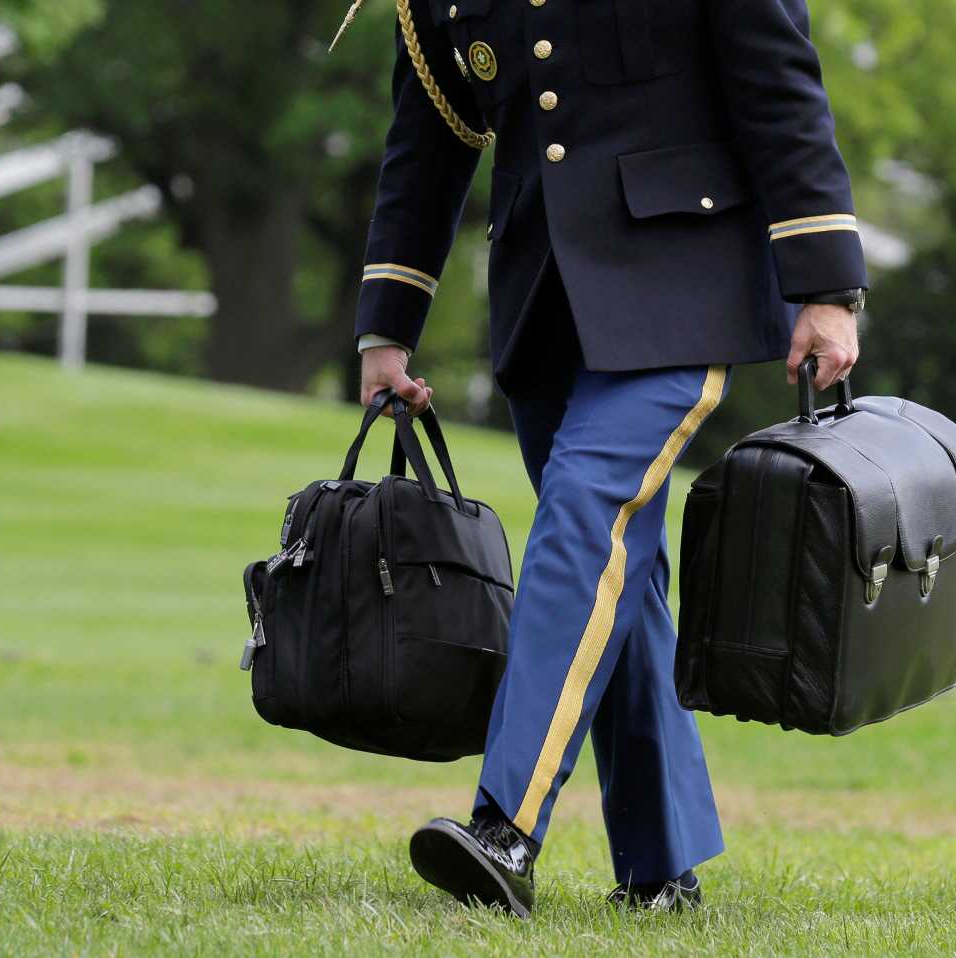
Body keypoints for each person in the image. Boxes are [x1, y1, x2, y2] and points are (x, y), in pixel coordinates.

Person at [350, 0, 868, 917]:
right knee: (616, 567)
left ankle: (505, 824)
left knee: (584, 520)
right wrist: (386, 329)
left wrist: (827, 285)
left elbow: (778, 87)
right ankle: (663, 868)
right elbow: (427, 145)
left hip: (682, 276)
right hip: (544, 293)